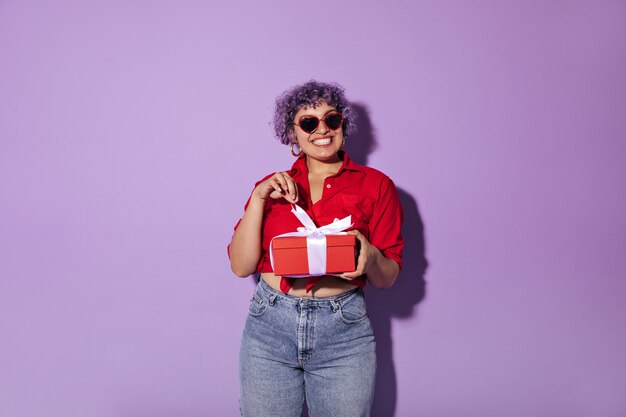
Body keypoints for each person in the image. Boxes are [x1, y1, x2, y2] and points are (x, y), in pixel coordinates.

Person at [228, 80, 404, 417]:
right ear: (293, 133)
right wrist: (259, 198)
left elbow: (387, 277)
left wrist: (370, 257)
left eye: (331, 119)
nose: (321, 129)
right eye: (308, 122)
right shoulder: (272, 186)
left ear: (343, 125)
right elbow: (241, 266)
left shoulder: (377, 185)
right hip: (269, 327)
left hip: (344, 330)